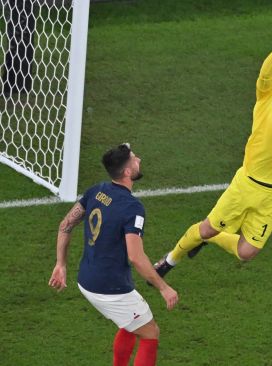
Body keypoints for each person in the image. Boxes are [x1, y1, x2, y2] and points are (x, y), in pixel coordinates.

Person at [151, 17, 272, 277]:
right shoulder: (266, 95)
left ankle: (211, 240)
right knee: (208, 227)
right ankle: (171, 260)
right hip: (247, 183)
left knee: (246, 252)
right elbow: (264, 72)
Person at [48, 143, 179, 366]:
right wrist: (164, 287)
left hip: (86, 279)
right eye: (135, 159)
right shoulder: (132, 208)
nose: (139, 160)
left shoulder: (96, 191)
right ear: (127, 172)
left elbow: (65, 224)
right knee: (150, 332)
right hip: (109, 288)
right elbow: (136, 257)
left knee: (129, 323)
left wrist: (61, 264)